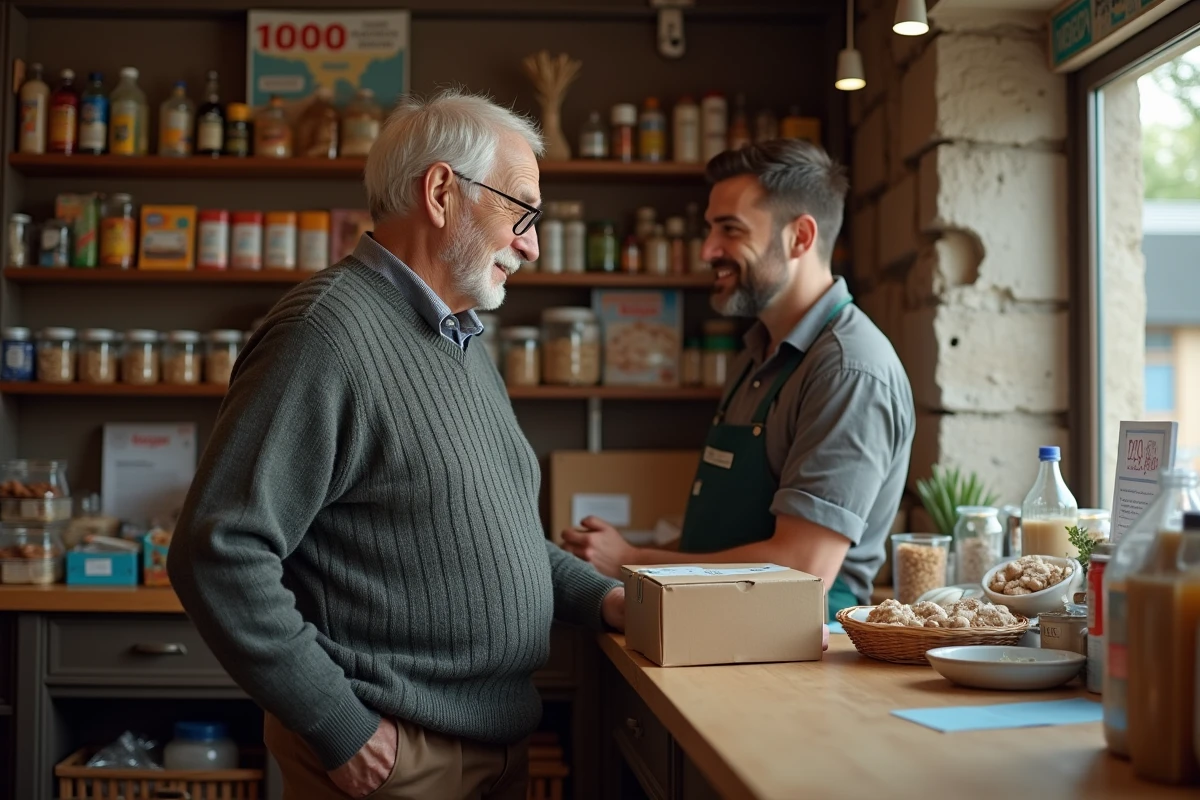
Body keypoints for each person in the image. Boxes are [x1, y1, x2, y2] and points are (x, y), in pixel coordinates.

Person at [168, 88, 625, 800]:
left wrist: (605, 599)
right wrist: (336, 722)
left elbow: (493, 534)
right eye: (521, 211)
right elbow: (217, 550)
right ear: (443, 191)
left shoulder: (462, 339)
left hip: (497, 743)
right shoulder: (324, 333)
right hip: (397, 756)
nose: (531, 242)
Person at [561, 139, 915, 622]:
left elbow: (804, 568)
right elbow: (721, 537)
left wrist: (633, 561)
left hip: (792, 648)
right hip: (719, 625)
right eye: (710, 229)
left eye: (730, 230)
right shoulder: (759, 351)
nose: (708, 250)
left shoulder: (848, 369)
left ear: (800, 238)